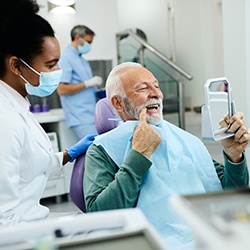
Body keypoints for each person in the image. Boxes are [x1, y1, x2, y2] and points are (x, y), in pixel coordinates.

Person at [84, 62, 250, 249]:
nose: (156, 93)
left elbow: (231, 197)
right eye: (143, 88)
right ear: (118, 102)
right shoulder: (102, 150)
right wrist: (138, 155)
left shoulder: (185, 140)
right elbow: (100, 214)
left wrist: (234, 157)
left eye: (156, 85)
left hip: (209, 237)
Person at [0, 0, 96, 226]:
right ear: (16, 65)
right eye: (51, 65)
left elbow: (28, 165)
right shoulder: (5, 119)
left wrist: (68, 155)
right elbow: (4, 221)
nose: (58, 72)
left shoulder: (17, 103)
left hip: (30, 220)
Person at [57, 25, 103, 140]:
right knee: (97, 152)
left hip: (90, 115)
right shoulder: (66, 58)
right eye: (88, 42)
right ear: (78, 37)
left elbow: (84, 89)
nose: (89, 46)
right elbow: (61, 89)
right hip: (80, 117)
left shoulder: (82, 60)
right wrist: (87, 83)